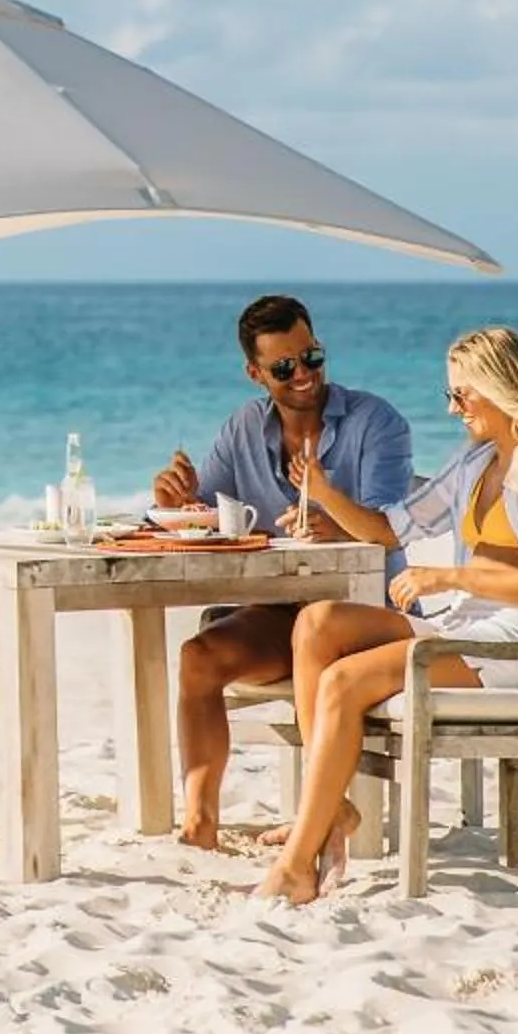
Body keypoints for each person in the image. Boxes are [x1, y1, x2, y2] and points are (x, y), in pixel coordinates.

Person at [254, 325, 518, 905]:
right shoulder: (476, 460)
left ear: (498, 387)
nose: (453, 408)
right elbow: (392, 527)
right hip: (467, 625)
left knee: (344, 680)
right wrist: (324, 492)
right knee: (317, 623)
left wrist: (448, 576)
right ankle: (333, 809)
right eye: (450, 395)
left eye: (461, 394)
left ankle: (296, 864)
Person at [153, 293, 415, 851]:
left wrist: (333, 520)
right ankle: (200, 825)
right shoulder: (244, 428)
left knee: (313, 628)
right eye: (283, 367)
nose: (303, 375)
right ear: (255, 373)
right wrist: (176, 502)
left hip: (366, 616)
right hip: (284, 614)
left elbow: (389, 530)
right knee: (198, 658)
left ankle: (329, 807)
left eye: (311, 357)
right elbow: (208, 517)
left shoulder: (377, 423)